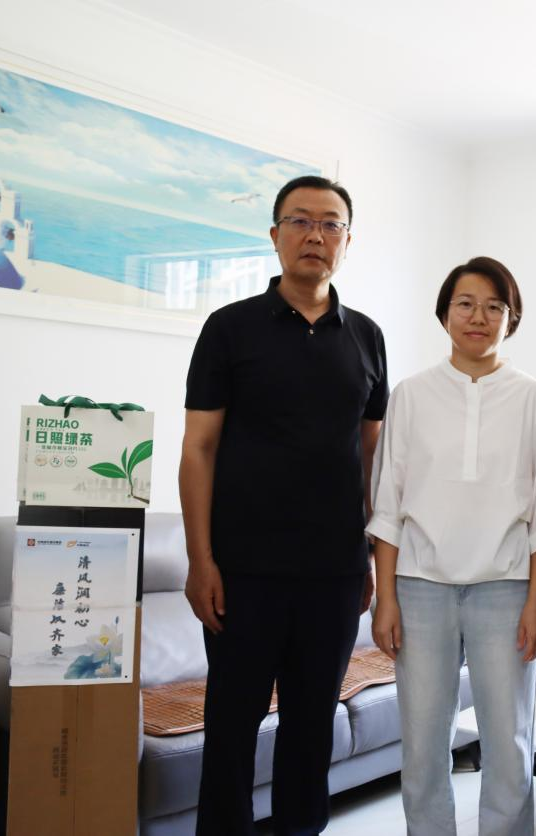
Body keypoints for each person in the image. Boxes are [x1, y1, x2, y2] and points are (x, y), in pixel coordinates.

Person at [180, 175, 388, 836]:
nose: (314, 235)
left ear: (347, 241)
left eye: (330, 224)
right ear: (274, 236)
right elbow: (198, 449)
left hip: (333, 571)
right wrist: (200, 560)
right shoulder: (229, 328)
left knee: (311, 726)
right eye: (300, 221)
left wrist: (369, 557)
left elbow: (372, 454)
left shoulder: (367, 336)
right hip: (242, 569)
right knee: (232, 725)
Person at [369, 256, 536, 836]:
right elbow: (388, 505)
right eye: (466, 305)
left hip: (506, 589)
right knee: (424, 746)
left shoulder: (534, 398)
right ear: (445, 314)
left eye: (494, 307)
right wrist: (386, 597)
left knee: (510, 744)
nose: (479, 317)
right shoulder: (410, 394)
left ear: (511, 318)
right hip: (419, 589)